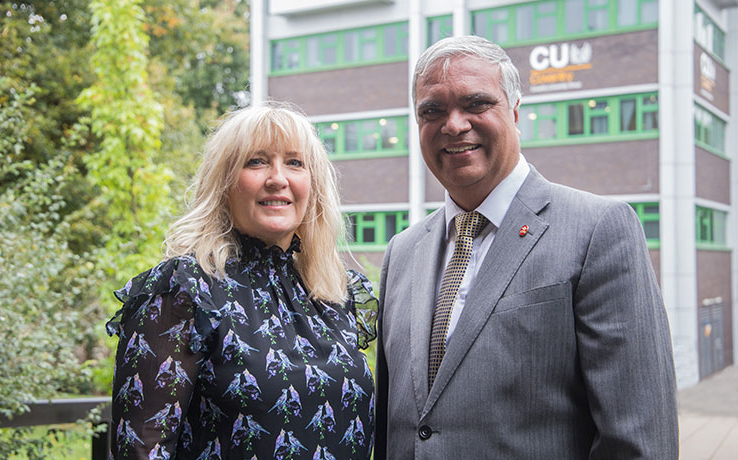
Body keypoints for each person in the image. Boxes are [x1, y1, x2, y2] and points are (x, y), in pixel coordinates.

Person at [374, 36, 678, 459]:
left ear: (515, 113)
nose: (454, 125)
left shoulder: (598, 230)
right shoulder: (402, 252)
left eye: (476, 103)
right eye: (432, 111)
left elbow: (639, 441)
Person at [106, 103, 378, 459]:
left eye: (295, 163)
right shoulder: (185, 288)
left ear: (313, 186)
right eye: (256, 161)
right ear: (224, 184)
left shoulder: (334, 295)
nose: (278, 178)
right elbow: (142, 449)